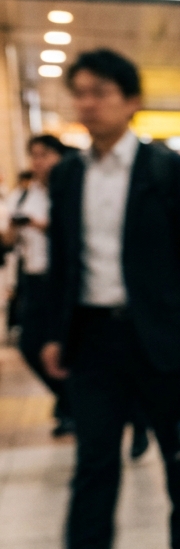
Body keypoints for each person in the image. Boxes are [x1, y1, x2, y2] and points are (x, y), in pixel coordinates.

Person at [37, 49, 180, 549]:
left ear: (130, 101)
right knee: (94, 460)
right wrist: (53, 331)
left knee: (178, 453)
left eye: (98, 92)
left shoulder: (166, 170)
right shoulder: (69, 175)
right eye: (80, 92)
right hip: (95, 338)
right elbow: (61, 261)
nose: (86, 103)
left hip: (163, 338)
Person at [1, 135, 74, 436]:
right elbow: (8, 241)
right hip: (33, 280)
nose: (38, 162)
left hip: (65, 280)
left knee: (70, 347)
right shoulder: (23, 196)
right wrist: (15, 229)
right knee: (30, 345)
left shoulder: (69, 191)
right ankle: (67, 398)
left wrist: (39, 225)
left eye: (44, 155)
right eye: (34, 156)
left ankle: (75, 405)